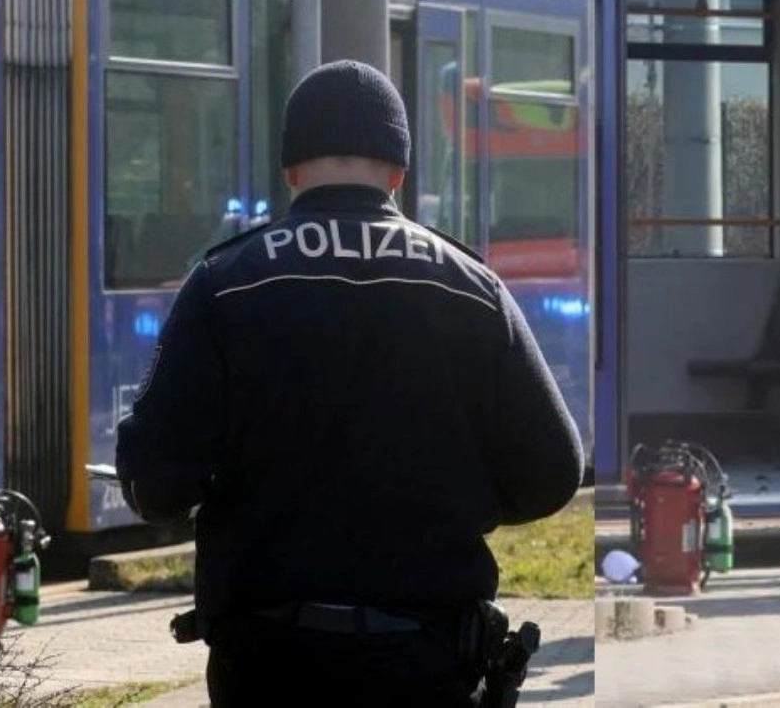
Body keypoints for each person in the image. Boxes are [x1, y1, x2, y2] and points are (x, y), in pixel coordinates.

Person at [115, 59, 585, 705]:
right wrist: (456, 499)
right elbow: (554, 470)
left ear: (291, 172)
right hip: (425, 660)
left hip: (267, 664)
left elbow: (153, 480)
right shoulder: (473, 289)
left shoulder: (225, 283)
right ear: (399, 172)